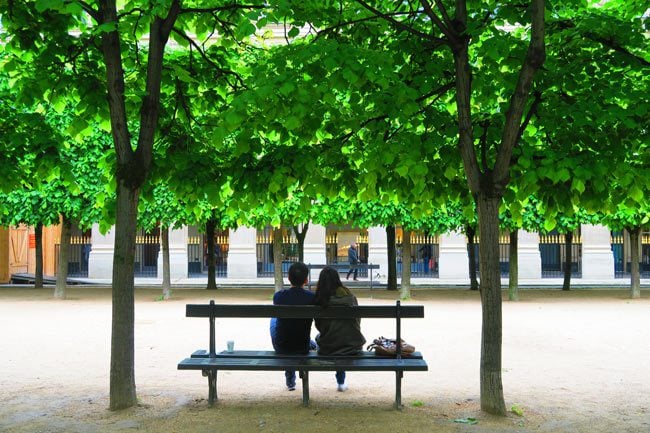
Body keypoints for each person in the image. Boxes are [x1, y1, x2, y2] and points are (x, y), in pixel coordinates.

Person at [314, 266, 366, 392]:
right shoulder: (350, 297)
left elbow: (319, 326)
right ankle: (341, 382)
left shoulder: (319, 300)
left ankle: (340, 381)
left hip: (328, 347)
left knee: (323, 338)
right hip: (353, 346)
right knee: (342, 337)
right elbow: (357, 321)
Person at [269, 262, 315, 391]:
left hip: (282, 345)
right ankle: (311, 343)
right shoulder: (312, 298)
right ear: (306, 280)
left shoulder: (278, 296)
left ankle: (290, 379)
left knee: (274, 320)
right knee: (299, 327)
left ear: (288, 278)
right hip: (302, 346)